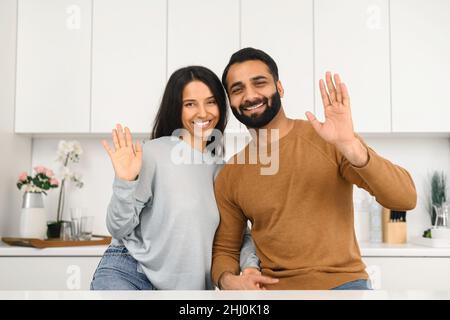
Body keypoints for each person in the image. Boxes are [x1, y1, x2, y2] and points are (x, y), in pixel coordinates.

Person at [211, 48, 417, 290]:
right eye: (238, 89)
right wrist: (228, 281)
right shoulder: (232, 173)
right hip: (274, 293)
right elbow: (225, 248)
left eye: (260, 83)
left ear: (279, 88)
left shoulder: (328, 140)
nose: (250, 95)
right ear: (231, 102)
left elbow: (405, 198)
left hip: (343, 286)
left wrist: (351, 145)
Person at [90, 66, 266, 290]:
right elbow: (118, 228)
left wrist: (251, 267)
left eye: (211, 102)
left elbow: (239, 234)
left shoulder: (224, 171)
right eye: (190, 104)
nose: (203, 113)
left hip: (185, 288)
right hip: (131, 273)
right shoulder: (153, 153)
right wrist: (125, 182)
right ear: (176, 108)